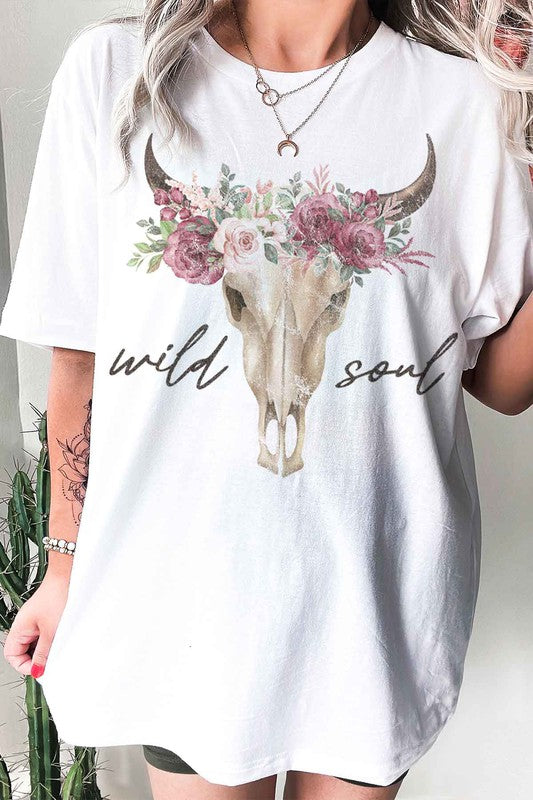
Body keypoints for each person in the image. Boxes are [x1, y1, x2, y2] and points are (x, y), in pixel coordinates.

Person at [1, 1, 532, 798]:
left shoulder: (467, 99)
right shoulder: (119, 75)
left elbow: (502, 384)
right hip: (183, 602)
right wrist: (62, 567)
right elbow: (78, 351)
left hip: (375, 602)